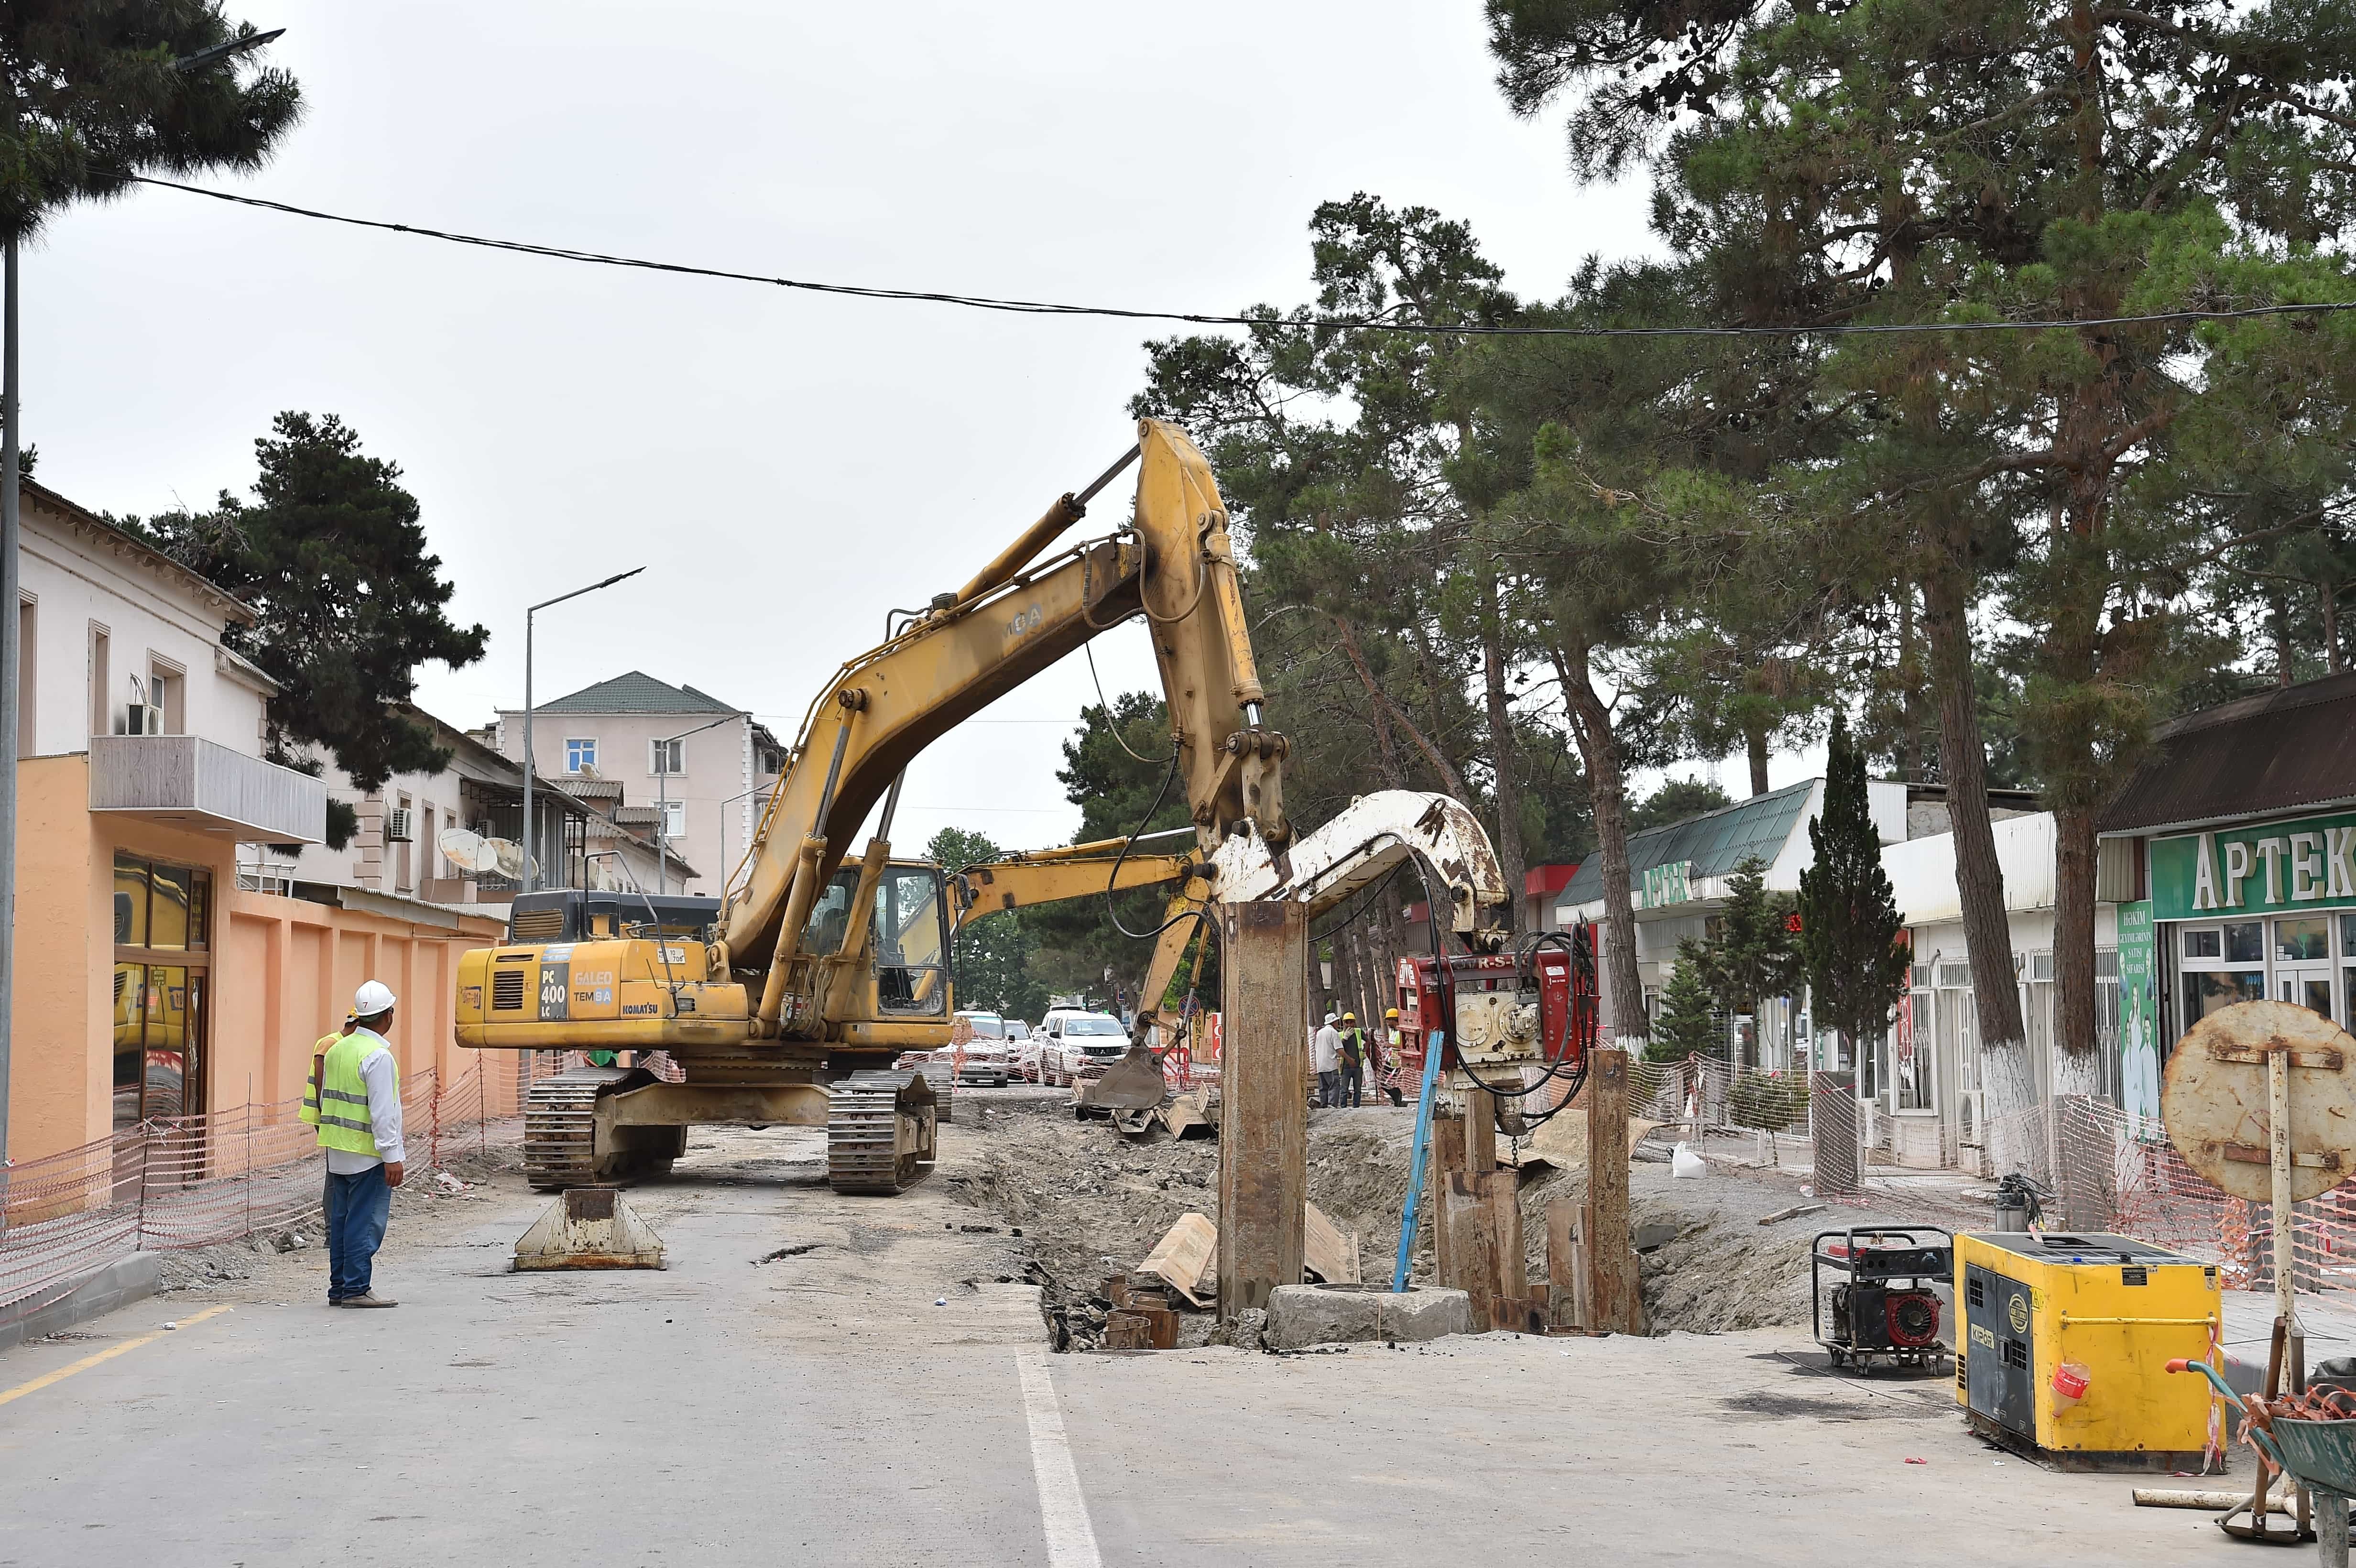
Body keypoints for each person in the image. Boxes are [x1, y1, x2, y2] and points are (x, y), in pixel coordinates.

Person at [300, 980, 407, 1307]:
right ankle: (357, 1288)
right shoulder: (378, 1057)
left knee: (343, 1222)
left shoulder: (336, 1049)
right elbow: (382, 1113)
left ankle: (340, 1289)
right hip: (368, 1154)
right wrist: (393, 1157)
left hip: (337, 1150)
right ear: (388, 1016)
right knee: (364, 1222)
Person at [1312, 1011, 1342, 1108]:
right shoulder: (1333, 1032)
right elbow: (1339, 1049)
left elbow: (1316, 1049)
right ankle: (1332, 1104)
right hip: (1331, 1065)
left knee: (1323, 1087)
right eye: (1337, 1022)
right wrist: (1349, 1059)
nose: (1338, 1023)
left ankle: (1324, 1105)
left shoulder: (1319, 1033)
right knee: (1334, 1085)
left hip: (1321, 1065)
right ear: (1333, 1023)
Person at [1379, 1006, 1408, 1106]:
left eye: (1388, 1021)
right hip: (1391, 1060)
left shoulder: (1402, 1031)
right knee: (1382, 1082)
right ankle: (1397, 1097)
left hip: (1398, 1062)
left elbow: (1404, 1046)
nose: (1387, 1023)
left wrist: (1390, 1045)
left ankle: (1398, 1100)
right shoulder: (1393, 1031)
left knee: (1389, 1082)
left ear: (1394, 1020)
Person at [1337, 1012, 1366, 1107]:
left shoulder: (1359, 1032)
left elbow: (1369, 1041)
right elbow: (1339, 1048)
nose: (1349, 1025)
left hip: (1358, 1066)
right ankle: (1343, 1107)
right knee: (1344, 1089)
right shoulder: (1340, 1035)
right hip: (1345, 1067)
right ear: (1344, 1023)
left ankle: (1356, 1107)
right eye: (1347, 1023)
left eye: (1351, 1022)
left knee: (1358, 1089)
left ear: (1355, 1023)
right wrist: (1345, 1038)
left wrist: (1365, 1051)